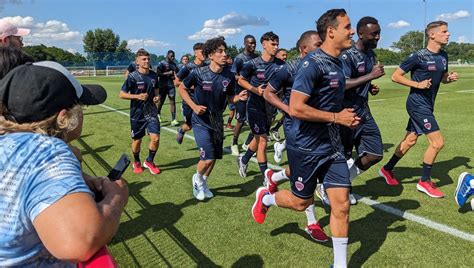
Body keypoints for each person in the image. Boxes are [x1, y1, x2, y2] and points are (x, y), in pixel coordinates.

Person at [251, 9, 358, 268]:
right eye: (347, 26)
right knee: (301, 203)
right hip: (305, 146)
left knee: (341, 205)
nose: (352, 31)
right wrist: (336, 118)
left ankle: (339, 264)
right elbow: (297, 108)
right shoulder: (311, 64)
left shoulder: (340, 62)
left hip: (333, 146)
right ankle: (265, 198)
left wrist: (348, 116)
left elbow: (332, 98)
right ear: (331, 31)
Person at [0, 61, 128, 266]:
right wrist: (116, 197)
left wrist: (81, 180)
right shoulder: (47, 151)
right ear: (64, 116)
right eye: (80, 106)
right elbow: (78, 244)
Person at [379, 20, 458, 198]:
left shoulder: (443, 56)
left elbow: (442, 77)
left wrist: (449, 78)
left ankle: (387, 169)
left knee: (410, 140)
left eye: (448, 31)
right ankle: (424, 181)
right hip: (417, 104)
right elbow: (395, 76)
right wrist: (417, 84)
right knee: (437, 143)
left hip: (428, 104)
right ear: (432, 35)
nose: (448, 34)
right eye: (444, 31)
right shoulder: (418, 56)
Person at [263, 30, 328, 242]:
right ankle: (312, 223)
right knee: (309, 180)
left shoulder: (326, 66)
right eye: (318, 44)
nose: (322, 48)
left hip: (321, 130)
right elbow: (268, 92)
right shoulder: (288, 68)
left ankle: (275, 177)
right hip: (297, 132)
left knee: (312, 173)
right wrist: (287, 109)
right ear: (304, 49)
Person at [318, 16, 385, 206]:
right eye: (374, 34)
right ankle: (330, 187)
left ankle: (342, 182)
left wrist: (370, 85)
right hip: (346, 112)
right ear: (361, 33)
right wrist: (370, 76)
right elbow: (342, 83)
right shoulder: (347, 55)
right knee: (343, 156)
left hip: (364, 111)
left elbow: (360, 80)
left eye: (379, 33)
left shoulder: (370, 55)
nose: (378, 37)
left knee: (375, 153)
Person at [178, 37, 248, 200]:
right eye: (220, 51)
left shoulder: (229, 76)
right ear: (210, 55)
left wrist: (239, 97)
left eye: (225, 51)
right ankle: (197, 179)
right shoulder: (198, 73)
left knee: (214, 157)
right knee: (207, 157)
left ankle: (203, 183)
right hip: (200, 120)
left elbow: (230, 98)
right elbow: (182, 88)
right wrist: (194, 107)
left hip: (217, 120)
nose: (224, 54)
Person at [237, 31, 285, 181]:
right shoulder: (252, 64)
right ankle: (266, 177)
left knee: (258, 139)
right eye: (273, 44)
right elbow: (241, 80)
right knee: (263, 140)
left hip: (270, 108)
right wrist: (254, 90)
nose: (276, 47)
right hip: (254, 106)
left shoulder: (282, 65)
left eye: (277, 44)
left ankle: (243, 160)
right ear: (264, 44)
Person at [119, 49, 162, 175]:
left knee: (155, 138)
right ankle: (136, 162)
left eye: (148, 59)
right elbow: (121, 94)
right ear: (137, 61)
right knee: (137, 140)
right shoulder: (132, 77)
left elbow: (157, 89)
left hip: (151, 111)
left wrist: (157, 96)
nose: (147, 61)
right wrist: (137, 97)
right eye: (144, 59)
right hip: (137, 112)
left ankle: (149, 161)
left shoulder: (154, 75)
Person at [230, 35, 258, 156]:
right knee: (240, 121)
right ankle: (234, 143)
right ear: (244, 43)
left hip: (255, 92)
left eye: (254, 43)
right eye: (250, 43)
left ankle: (247, 143)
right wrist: (244, 79)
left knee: (256, 120)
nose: (253, 45)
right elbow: (233, 75)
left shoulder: (257, 58)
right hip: (243, 93)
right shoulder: (239, 58)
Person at [175, 42, 207, 144]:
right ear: (195, 53)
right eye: (202, 52)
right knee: (189, 125)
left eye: (205, 52)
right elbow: (176, 82)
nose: (204, 54)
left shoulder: (208, 66)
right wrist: (192, 85)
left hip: (203, 100)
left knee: (204, 123)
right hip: (190, 100)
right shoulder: (188, 67)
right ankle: (182, 129)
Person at [156, 50, 180, 126]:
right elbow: (158, 74)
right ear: (167, 55)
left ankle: (173, 119)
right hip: (162, 85)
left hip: (171, 86)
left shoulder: (174, 64)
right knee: (161, 101)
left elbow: (178, 73)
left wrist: (175, 77)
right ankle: (158, 114)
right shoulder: (161, 63)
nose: (172, 57)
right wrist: (167, 73)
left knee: (172, 101)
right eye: (171, 56)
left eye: (173, 56)